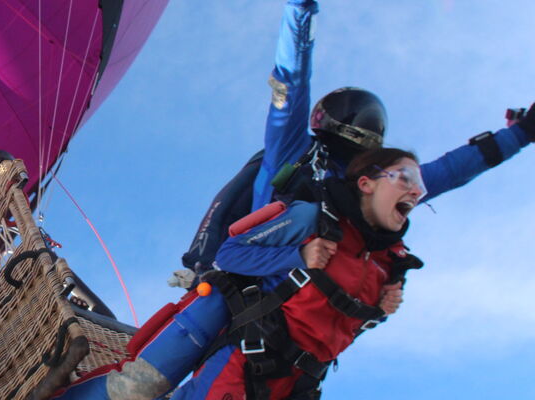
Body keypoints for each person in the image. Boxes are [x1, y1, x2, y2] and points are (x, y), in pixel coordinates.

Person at [177, 0, 535, 287]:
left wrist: (299, 10)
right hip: (257, 287)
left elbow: (291, 81)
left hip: (283, 304)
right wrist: (520, 135)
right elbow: (448, 171)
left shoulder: (339, 170)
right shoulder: (312, 159)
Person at [171, 147, 423, 399]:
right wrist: (298, 256)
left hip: (301, 386)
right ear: (366, 184)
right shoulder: (311, 218)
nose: (417, 191)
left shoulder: (390, 263)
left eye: (420, 183)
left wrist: (381, 311)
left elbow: (340, 324)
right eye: (406, 177)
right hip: (244, 366)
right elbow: (229, 255)